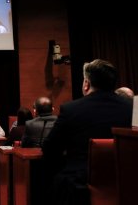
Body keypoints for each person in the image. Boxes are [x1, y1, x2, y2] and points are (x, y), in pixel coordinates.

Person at [42, 59, 133, 205]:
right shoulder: (131, 109)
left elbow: (50, 148)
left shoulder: (71, 109)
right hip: (127, 182)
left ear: (86, 84)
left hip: (79, 186)